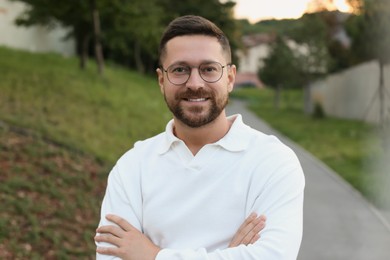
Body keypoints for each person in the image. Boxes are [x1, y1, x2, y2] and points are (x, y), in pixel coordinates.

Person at [94, 15, 305, 259]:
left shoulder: (273, 161)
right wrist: (230, 255)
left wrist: (152, 255)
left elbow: (273, 256)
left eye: (209, 69)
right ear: (162, 80)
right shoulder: (132, 168)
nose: (195, 83)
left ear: (230, 78)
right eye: (180, 70)